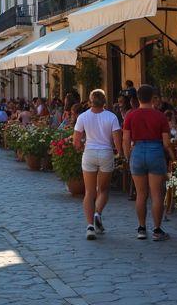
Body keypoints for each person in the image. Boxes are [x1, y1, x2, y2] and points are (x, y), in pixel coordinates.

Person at [122, 84, 174, 241]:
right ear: (153, 98)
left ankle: (141, 228)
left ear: (138, 98)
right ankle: (157, 230)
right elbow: (166, 142)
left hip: (137, 151)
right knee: (157, 194)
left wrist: (128, 156)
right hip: (155, 151)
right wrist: (172, 156)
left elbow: (126, 139)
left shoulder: (130, 115)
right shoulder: (160, 116)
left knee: (141, 194)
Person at [74, 89, 122, 240]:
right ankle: (97, 213)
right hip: (106, 153)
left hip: (89, 153)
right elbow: (117, 140)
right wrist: (120, 153)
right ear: (104, 101)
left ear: (90, 101)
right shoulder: (111, 117)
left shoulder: (83, 116)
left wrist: (81, 147)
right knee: (103, 189)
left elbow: (76, 141)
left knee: (89, 192)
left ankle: (90, 226)